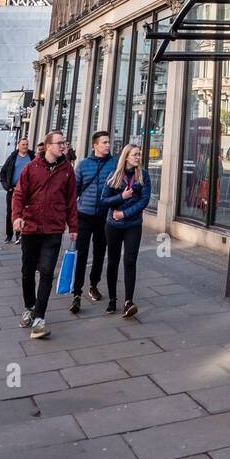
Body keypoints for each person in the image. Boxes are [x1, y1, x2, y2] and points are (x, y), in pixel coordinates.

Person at [11, 129, 78, 340]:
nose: (63, 146)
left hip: (53, 228)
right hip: (31, 227)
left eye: (64, 143)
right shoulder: (32, 168)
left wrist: (73, 227)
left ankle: (40, 318)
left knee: (47, 272)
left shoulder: (67, 170)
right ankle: (29, 306)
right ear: (48, 146)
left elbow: (71, 201)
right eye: (59, 143)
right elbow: (19, 194)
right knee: (27, 271)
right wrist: (17, 217)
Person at [100, 144, 151, 318]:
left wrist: (124, 213)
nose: (138, 157)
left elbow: (144, 201)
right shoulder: (115, 175)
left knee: (130, 262)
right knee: (113, 262)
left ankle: (128, 301)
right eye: (135, 154)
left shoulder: (143, 176)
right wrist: (121, 197)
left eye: (139, 154)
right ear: (126, 156)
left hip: (133, 224)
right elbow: (104, 200)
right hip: (113, 225)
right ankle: (112, 300)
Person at [69, 130, 116, 314]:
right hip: (84, 215)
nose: (107, 145)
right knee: (81, 254)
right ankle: (77, 292)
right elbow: (75, 191)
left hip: (104, 216)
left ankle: (93, 285)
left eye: (108, 142)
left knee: (99, 253)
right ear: (95, 145)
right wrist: (71, 219)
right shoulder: (83, 165)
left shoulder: (114, 164)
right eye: (104, 142)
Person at [0, 136, 33, 243]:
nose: (25, 146)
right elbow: (3, 172)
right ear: (18, 145)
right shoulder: (12, 158)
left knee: (23, 212)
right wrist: (6, 186)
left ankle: (19, 235)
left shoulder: (32, 157)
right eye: (23, 144)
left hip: (27, 191)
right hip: (13, 190)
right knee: (10, 212)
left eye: (27, 144)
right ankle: (9, 235)